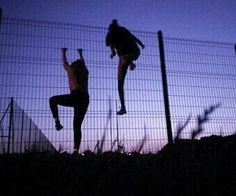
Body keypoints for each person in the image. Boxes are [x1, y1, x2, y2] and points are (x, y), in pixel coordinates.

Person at [49, 48, 89, 155]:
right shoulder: (85, 72)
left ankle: (57, 122)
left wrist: (63, 52)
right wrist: (80, 54)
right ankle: (76, 150)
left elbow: (65, 63)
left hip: (76, 97)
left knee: (52, 100)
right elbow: (83, 64)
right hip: (84, 99)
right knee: (77, 126)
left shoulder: (71, 70)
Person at [106, 19, 145, 115]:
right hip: (135, 53)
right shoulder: (123, 29)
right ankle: (130, 62)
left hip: (125, 57)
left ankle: (123, 107)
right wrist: (141, 43)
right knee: (125, 60)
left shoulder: (110, 36)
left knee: (120, 85)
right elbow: (133, 37)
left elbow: (113, 52)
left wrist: (112, 54)